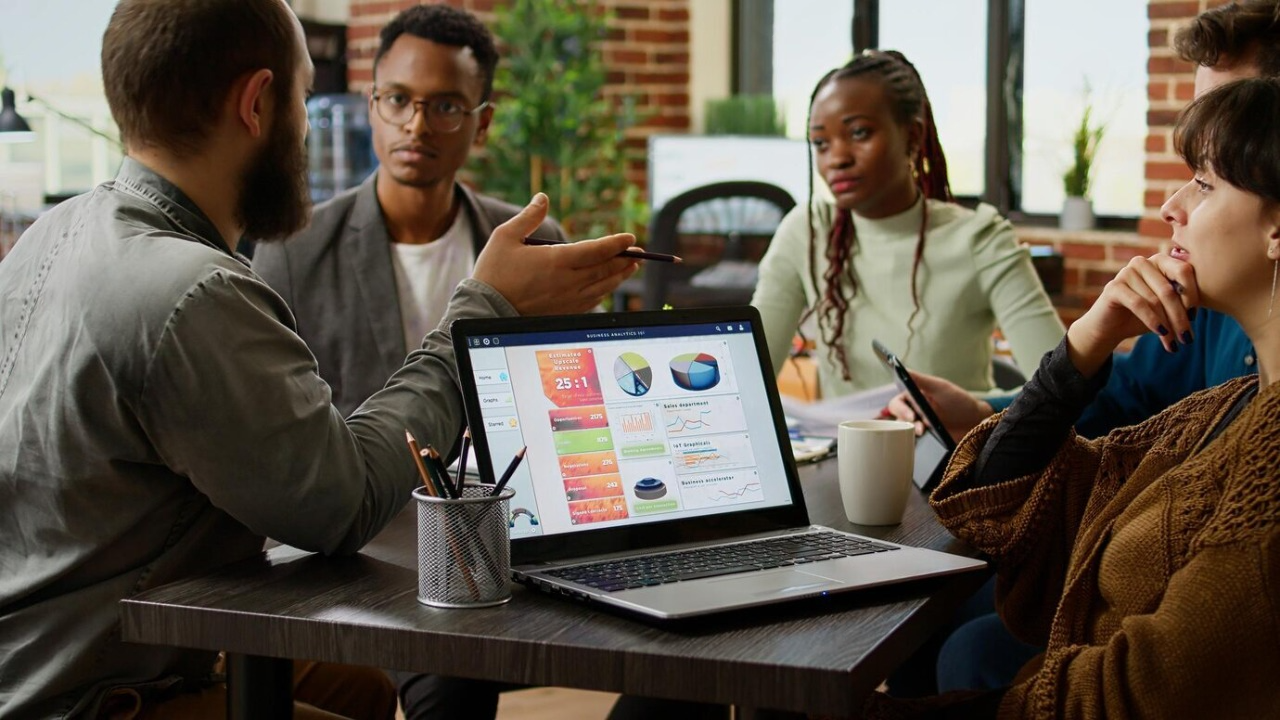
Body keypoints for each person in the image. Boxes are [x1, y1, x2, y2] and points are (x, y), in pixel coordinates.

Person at [0, 0, 638, 717]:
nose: (306, 128)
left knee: (359, 688)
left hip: (32, 655)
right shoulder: (196, 294)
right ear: (257, 103)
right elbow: (342, 503)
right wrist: (485, 311)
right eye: (304, 99)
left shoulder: (46, 237)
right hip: (91, 692)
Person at [884, 1, 1280, 698]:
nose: (1174, 199)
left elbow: (1155, 679)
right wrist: (1054, 363)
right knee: (933, 613)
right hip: (1112, 592)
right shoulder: (1229, 393)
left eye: (1213, 163)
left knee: (960, 641)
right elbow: (1114, 415)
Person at [254, 4, 568, 417]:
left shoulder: (535, 243)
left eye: (446, 107)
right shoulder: (295, 250)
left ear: (484, 123)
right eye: (399, 99)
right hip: (368, 480)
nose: (416, 126)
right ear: (372, 105)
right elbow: (272, 418)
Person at [750, 50, 1064, 400]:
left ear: (912, 138)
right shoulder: (806, 232)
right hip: (844, 453)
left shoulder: (980, 238)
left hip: (957, 452)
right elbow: (748, 376)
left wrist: (970, 412)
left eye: (859, 133)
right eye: (821, 143)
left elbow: (1063, 391)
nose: (837, 158)